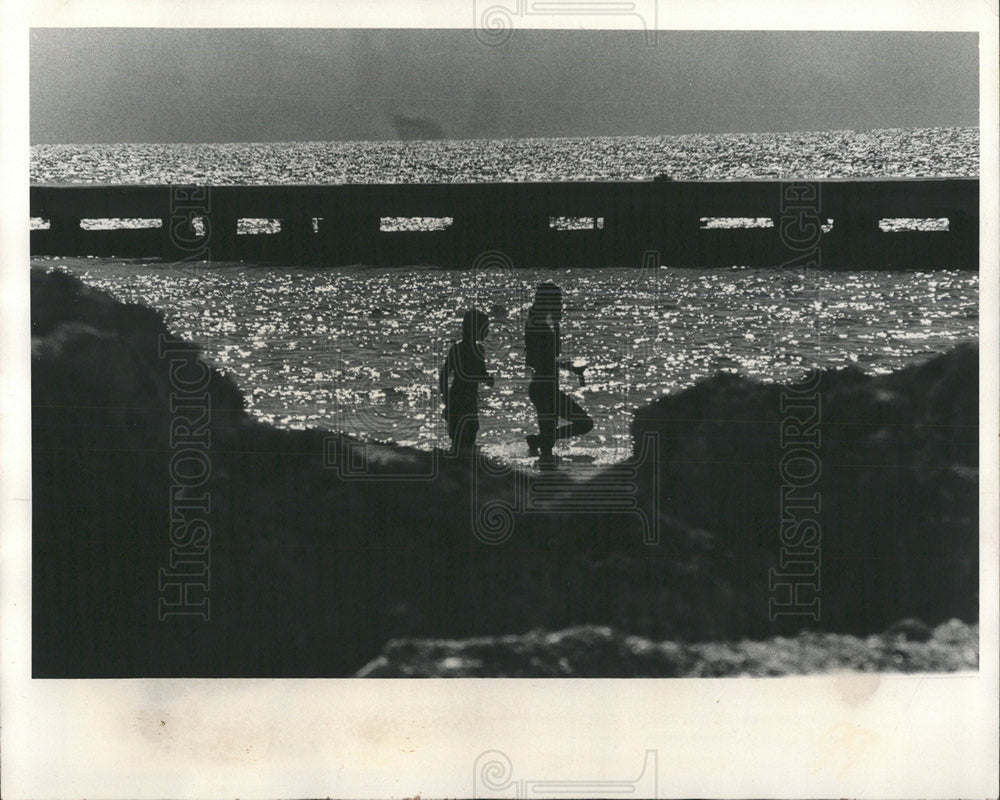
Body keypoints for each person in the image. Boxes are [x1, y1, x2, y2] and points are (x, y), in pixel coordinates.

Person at [524, 282, 592, 466]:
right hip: (544, 390)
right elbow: (545, 358)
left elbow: (552, 355)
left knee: (548, 445)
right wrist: (571, 368)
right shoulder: (539, 326)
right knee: (584, 424)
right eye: (558, 301)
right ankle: (539, 443)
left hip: (546, 389)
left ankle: (538, 442)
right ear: (549, 301)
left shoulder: (537, 322)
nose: (561, 305)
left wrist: (556, 324)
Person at [439, 308, 494, 454]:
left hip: (465, 399)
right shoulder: (461, 349)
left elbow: (444, 375)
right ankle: (460, 469)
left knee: (467, 437)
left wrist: (486, 378)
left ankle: (460, 468)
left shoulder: (474, 349)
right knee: (461, 437)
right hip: (460, 399)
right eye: (485, 328)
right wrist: (446, 399)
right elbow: (445, 374)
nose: (488, 332)